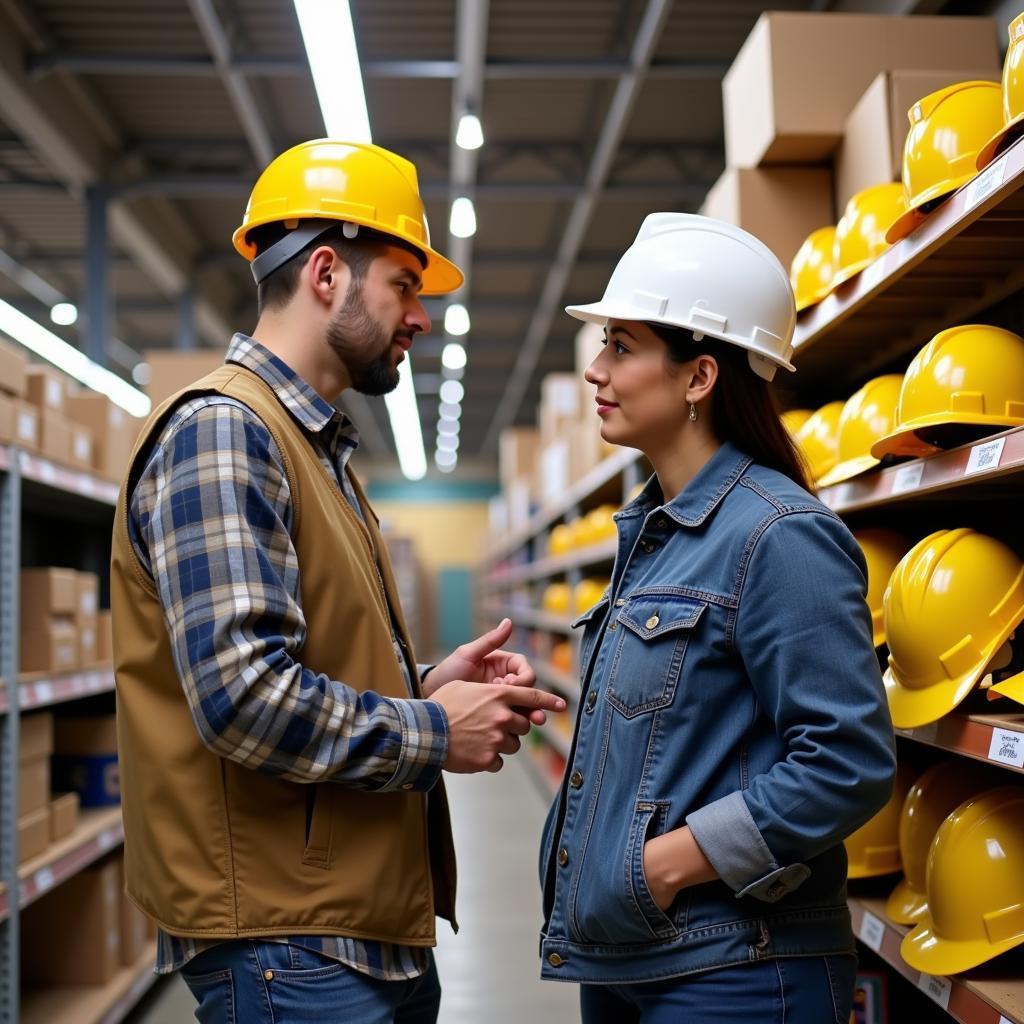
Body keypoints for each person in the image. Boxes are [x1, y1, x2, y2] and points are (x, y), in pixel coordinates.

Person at [109, 139, 565, 1024]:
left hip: (340, 925)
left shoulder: (315, 449)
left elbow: (301, 653)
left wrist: (426, 684)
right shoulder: (224, 433)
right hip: (288, 947)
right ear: (326, 272)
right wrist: (433, 731)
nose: (420, 316)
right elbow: (241, 696)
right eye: (404, 283)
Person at [538, 213, 896, 1023]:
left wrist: (664, 864)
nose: (597, 370)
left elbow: (848, 758)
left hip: (736, 969)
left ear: (699, 378)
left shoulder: (778, 535)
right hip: (631, 953)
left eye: (621, 347)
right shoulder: (653, 534)